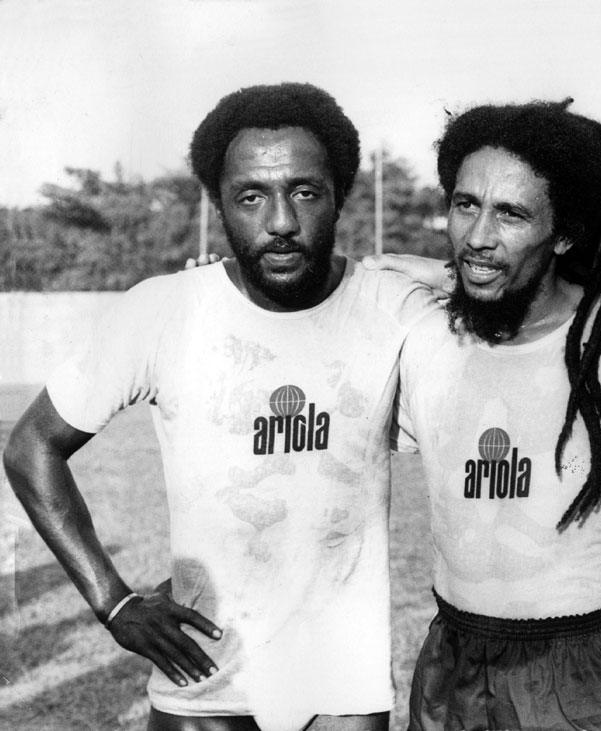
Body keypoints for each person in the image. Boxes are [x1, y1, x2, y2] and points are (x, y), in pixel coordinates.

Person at [2, 82, 439, 731]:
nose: (282, 220)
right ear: (218, 203)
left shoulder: (394, 310)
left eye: (306, 191)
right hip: (203, 688)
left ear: (340, 194)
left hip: (342, 690)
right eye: (252, 195)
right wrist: (113, 600)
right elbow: (31, 445)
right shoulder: (164, 310)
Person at [391, 101, 601, 730]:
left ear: (565, 232)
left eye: (511, 214)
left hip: (588, 664)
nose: (477, 236)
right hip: (454, 655)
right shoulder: (424, 341)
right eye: (466, 204)